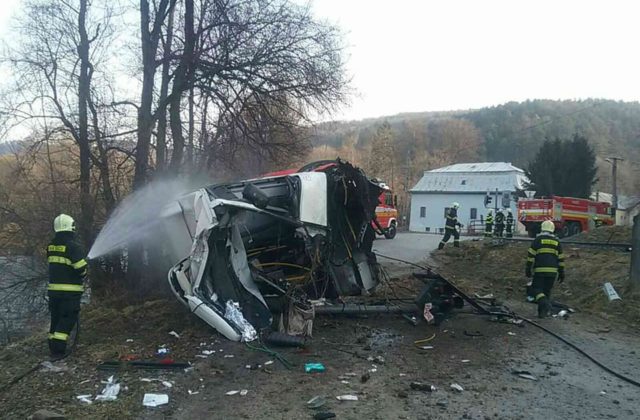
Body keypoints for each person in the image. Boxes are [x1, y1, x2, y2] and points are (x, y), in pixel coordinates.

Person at [47, 214, 88, 358]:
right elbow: (81, 269)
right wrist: (85, 267)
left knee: (56, 318)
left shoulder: (51, 246)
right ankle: (59, 350)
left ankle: (52, 346)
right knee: (67, 319)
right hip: (70, 293)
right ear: (71, 227)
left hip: (53, 292)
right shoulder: (73, 247)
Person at [525, 220, 565, 318]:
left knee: (536, 290)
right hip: (553, 273)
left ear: (542, 228)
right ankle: (542, 314)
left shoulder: (538, 240)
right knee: (546, 291)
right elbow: (560, 258)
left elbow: (531, 256)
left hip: (540, 271)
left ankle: (547, 305)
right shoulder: (557, 242)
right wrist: (561, 272)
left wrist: (528, 268)